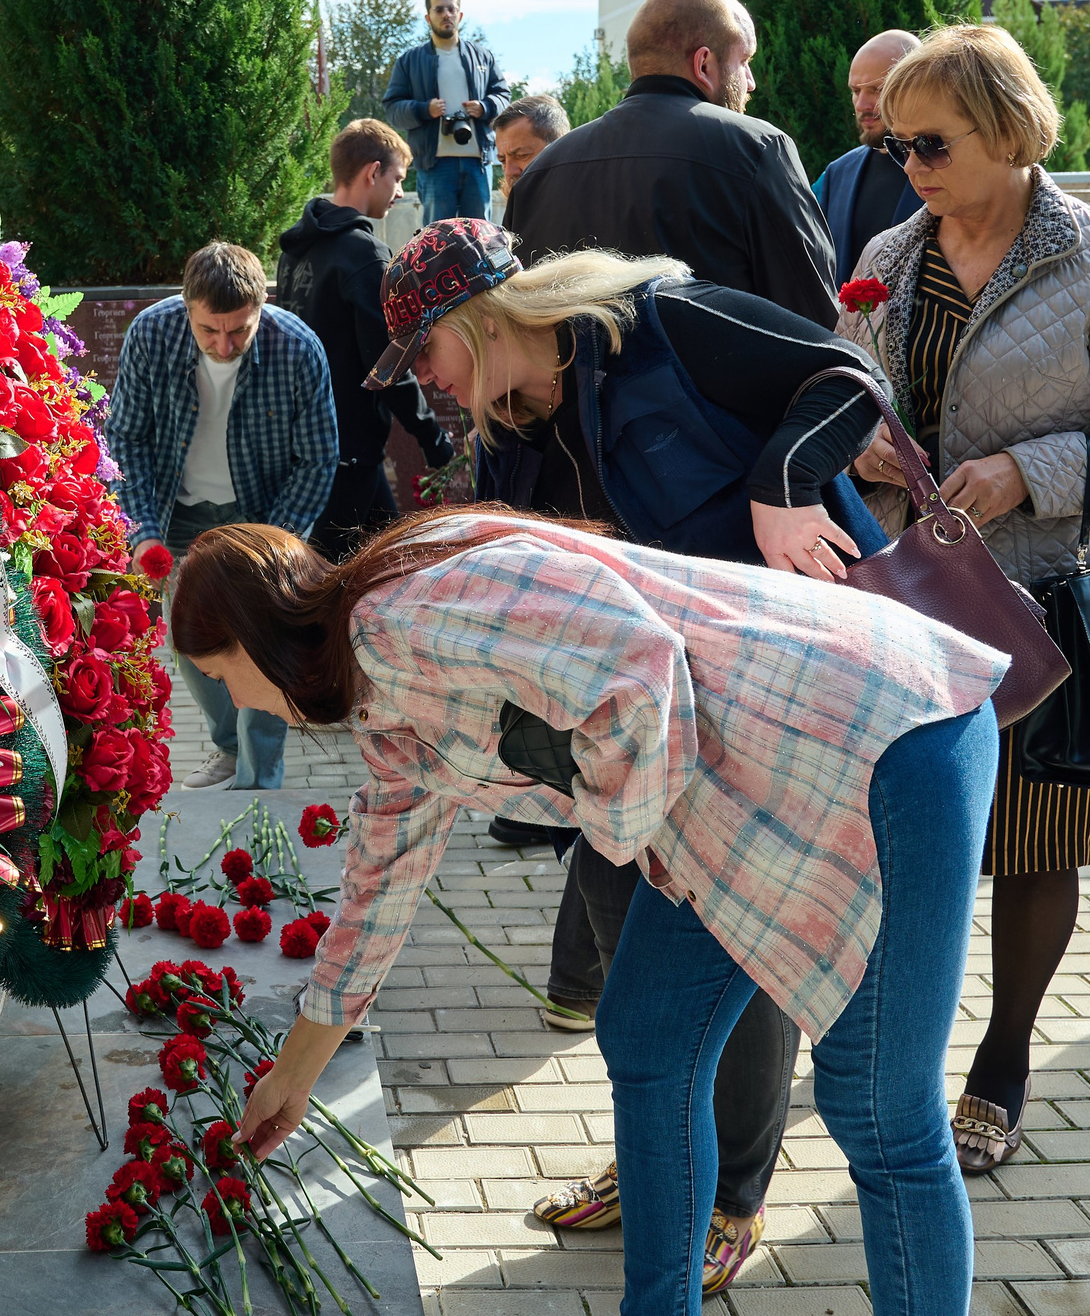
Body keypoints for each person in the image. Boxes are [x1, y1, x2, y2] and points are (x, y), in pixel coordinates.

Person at [171, 511, 1006, 1316]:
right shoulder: (379, 687)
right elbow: (379, 885)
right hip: (734, 789)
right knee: (647, 1038)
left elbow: (641, 672)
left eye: (218, 676)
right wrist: (295, 1075)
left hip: (883, 730)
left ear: (250, 636)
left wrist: (615, 828)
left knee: (881, 1112)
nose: (234, 700)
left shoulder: (398, 619)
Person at [370, 217, 891, 1289]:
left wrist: (780, 484)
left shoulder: (657, 320)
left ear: (469, 318)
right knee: (618, 925)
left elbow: (845, 378)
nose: (418, 378)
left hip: (780, 697)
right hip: (650, 724)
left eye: (422, 351)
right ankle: (661, 1159)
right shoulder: (516, 433)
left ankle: (730, 1196)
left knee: (738, 951)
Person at [839, 24, 1090, 1175]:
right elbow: (836, 393)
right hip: (904, 597)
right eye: (896, 143)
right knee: (895, 836)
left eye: (931, 140)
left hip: (1042, 594)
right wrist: (863, 452)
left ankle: (1002, 1060)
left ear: (1007, 127)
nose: (909, 163)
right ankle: (890, 1054)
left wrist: (1021, 472)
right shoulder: (892, 251)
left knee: (1036, 835)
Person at [104, 242, 337, 790]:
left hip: (263, 512)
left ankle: (261, 781)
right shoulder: (150, 334)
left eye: (240, 330)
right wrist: (142, 531)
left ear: (263, 306)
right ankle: (228, 747)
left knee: (263, 643)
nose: (224, 344)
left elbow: (319, 457)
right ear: (186, 307)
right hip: (176, 512)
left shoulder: (299, 349)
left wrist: (274, 543)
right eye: (210, 330)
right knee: (191, 640)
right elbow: (127, 439)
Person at [503, 0, 836, 326]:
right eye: (744, 60)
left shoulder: (540, 173)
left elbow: (519, 321)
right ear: (704, 64)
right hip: (724, 381)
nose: (750, 81)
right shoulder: (757, 148)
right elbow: (812, 318)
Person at [276, 120, 458, 560]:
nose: (399, 192)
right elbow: (386, 363)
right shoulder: (364, 255)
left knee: (385, 556)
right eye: (397, 178)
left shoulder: (294, 250)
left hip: (306, 440)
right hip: (347, 449)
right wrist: (432, 436)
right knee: (333, 577)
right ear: (372, 172)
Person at [382, 0, 509, 225]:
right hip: (434, 164)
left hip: (477, 162)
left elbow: (503, 95)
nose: (446, 14)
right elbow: (393, 109)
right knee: (435, 236)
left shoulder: (483, 57)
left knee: (481, 234)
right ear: (428, 17)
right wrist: (423, 110)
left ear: (460, 15)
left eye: (451, 9)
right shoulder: (410, 61)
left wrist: (485, 107)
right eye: (439, 9)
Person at [814, 30, 925, 280]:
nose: (862, 104)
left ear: (915, 87)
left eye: (876, 89)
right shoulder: (838, 175)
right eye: (855, 90)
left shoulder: (946, 168)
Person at [490, 93, 570, 227]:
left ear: (560, 147)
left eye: (522, 155)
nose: (509, 171)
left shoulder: (588, 207)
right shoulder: (516, 211)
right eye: (502, 160)